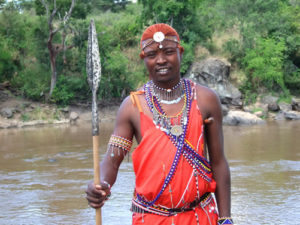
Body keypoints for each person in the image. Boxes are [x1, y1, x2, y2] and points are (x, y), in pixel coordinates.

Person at [86, 23, 233, 225]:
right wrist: (100, 184)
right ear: (143, 59)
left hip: (201, 217)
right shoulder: (132, 106)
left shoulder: (206, 99)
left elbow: (218, 162)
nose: (161, 60)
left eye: (169, 52)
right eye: (152, 55)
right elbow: (111, 160)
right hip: (151, 218)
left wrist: (225, 218)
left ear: (180, 53)